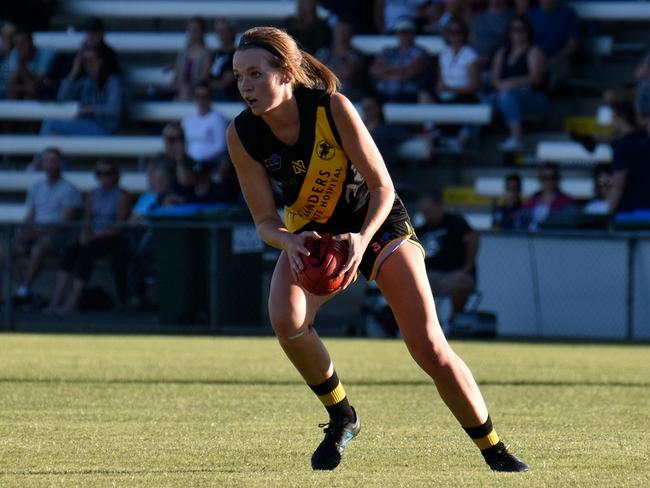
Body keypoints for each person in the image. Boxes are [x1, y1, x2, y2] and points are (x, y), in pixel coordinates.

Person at [227, 25, 528, 473]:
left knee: (428, 346)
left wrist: (361, 240)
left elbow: (382, 186)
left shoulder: (331, 108)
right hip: (313, 234)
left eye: (255, 74)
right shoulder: (242, 134)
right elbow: (265, 222)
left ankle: (494, 448)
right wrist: (288, 240)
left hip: (377, 225)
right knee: (286, 320)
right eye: (238, 77)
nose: (245, 86)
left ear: (287, 72)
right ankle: (341, 415)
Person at [45, 159, 131, 314]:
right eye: (100, 173)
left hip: (112, 237)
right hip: (93, 236)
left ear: (115, 175)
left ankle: (72, 303)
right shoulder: (92, 194)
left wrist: (96, 236)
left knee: (86, 255)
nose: (104, 177)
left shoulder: (122, 196)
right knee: (70, 253)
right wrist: (85, 233)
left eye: (108, 173)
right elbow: (88, 219)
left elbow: (120, 225)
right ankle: (56, 300)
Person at [12, 147, 82, 303]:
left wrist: (37, 233)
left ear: (61, 163)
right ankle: (24, 287)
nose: (50, 164)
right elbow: (30, 216)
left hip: (57, 236)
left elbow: (65, 222)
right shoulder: (36, 187)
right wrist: (21, 232)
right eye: (47, 161)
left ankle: (23, 290)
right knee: (6, 250)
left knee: (39, 248)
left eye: (54, 161)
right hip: (35, 232)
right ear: (42, 164)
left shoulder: (69, 189)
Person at [415, 191, 479, 323]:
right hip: (430, 275)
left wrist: (467, 267)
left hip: (454, 274)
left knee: (460, 282)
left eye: (428, 211)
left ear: (438, 207)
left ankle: (453, 320)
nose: (425, 215)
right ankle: (433, 323)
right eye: (422, 212)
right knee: (415, 285)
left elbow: (473, 239)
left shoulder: (455, 222)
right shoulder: (421, 230)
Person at [491, 14, 547, 151]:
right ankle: (463, 139)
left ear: (527, 31)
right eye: (513, 29)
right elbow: (494, 78)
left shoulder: (534, 51)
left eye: (521, 29)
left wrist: (512, 83)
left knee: (507, 96)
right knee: (483, 101)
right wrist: (501, 86)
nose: (517, 32)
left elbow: (536, 78)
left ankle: (517, 138)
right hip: (505, 93)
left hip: (533, 96)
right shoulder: (502, 51)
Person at [40, 46, 124, 135]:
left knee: (51, 124)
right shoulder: (86, 81)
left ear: (102, 61)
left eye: (92, 60)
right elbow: (62, 97)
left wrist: (91, 110)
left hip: (104, 127)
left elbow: (115, 108)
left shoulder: (113, 81)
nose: (89, 64)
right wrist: (74, 72)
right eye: (85, 61)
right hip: (85, 124)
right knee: (53, 131)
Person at [369, 17, 429, 103]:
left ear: (413, 34)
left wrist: (385, 72)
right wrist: (399, 69)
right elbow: (373, 71)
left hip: (407, 96)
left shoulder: (420, 52)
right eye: (401, 32)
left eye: (407, 32)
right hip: (382, 94)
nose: (404, 35)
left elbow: (408, 75)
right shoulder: (387, 51)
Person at [607, 101, 650, 214]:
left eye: (613, 117)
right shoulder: (645, 140)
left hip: (630, 213)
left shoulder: (623, 146)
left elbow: (618, 184)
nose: (610, 122)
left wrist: (608, 212)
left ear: (622, 117)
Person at [528, 0, 579, 89]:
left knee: (552, 72)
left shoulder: (568, 14)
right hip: (535, 60)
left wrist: (555, 58)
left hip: (560, 60)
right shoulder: (531, 15)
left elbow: (572, 45)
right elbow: (525, 43)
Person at [316, 21, 368, 102]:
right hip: (322, 95)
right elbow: (315, 72)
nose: (342, 33)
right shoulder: (323, 52)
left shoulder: (356, 54)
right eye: (339, 30)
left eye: (345, 31)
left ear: (350, 33)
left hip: (347, 97)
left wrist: (326, 70)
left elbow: (347, 73)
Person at [181, 82, 229, 168]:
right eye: (198, 96)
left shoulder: (218, 119)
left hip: (211, 164)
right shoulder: (187, 120)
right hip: (190, 164)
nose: (201, 100)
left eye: (205, 96)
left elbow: (221, 146)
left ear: (210, 97)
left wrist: (200, 157)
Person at [5, 28, 56, 100]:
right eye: (16, 44)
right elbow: (12, 86)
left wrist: (21, 65)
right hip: (27, 88)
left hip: (46, 92)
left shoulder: (46, 55)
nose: (20, 47)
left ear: (31, 42)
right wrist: (24, 88)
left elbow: (35, 87)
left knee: (30, 94)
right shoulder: (15, 53)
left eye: (23, 42)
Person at [521, 162, 575, 231]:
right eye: (544, 177)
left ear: (558, 179)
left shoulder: (567, 203)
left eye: (552, 177)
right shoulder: (531, 202)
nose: (548, 181)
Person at [170, 16, 212, 101]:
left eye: (196, 29)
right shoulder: (182, 53)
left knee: (186, 89)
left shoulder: (206, 54)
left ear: (202, 32)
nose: (192, 32)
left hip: (196, 90)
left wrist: (188, 86)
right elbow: (176, 77)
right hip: (180, 89)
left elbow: (203, 79)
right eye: (190, 29)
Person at [470, 0, 513, 69]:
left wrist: (490, 58)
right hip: (475, 63)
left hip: (499, 65)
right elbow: (472, 40)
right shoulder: (479, 18)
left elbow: (512, 44)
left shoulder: (511, 18)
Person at [206, 17, 239, 101]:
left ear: (232, 31)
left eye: (224, 30)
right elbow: (203, 76)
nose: (221, 34)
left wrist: (208, 84)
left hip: (226, 97)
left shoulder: (237, 55)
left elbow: (225, 83)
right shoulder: (212, 54)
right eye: (219, 31)